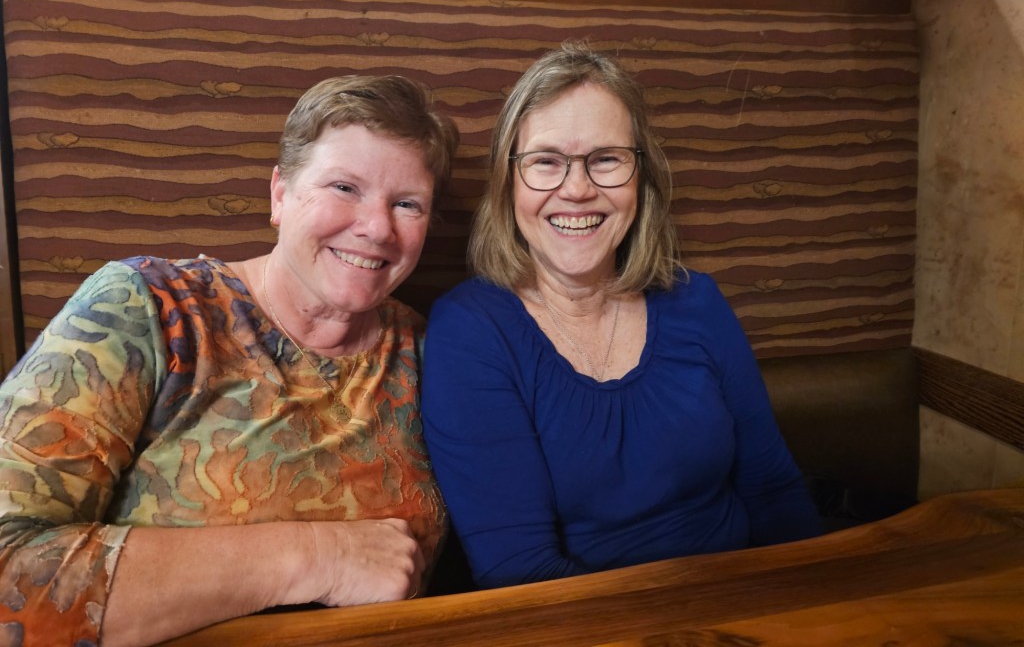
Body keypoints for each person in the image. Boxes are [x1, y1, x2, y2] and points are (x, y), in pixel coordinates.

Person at [0, 75, 460, 646]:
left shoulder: (432, 349)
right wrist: (318, 556)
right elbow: (8, 566)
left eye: (407, 204)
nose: (376, 227)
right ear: (280, 194)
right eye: (344, 187)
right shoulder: (149, 308)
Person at [420, 41, 821, 590]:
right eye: (545, 161)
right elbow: (521, 571)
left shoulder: (697, 301)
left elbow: (774, 494)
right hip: (587, 622)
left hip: (747, 599)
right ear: (507, 182)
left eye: (606, 159)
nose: (577, 189)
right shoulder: (471, 331)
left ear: (640, 177)